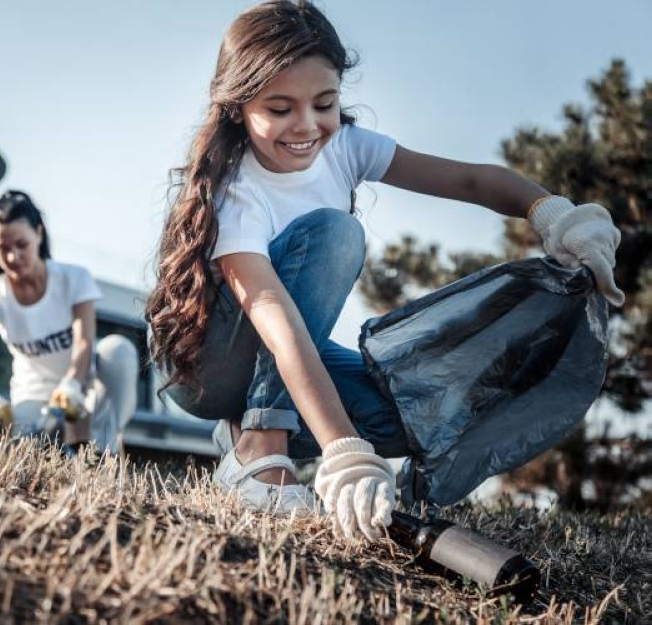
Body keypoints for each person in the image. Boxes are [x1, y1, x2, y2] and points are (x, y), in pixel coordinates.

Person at [145, 1, 623, 541]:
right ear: (237, 108)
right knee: (334, 234)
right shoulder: (237, 190)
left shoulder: (346, 148)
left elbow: (469, 181)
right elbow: (276, 320)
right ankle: (262, 446)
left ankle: (245, 432)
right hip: (202, 361)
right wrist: (342, 449)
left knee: (409, 415)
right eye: (280, 109)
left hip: (280, 352)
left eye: (323, 103)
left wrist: (556, 215)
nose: (306, 126)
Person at [0, 190, 139, 455]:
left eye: (21, 244)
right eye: (2, 248)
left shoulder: (74, 279)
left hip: (84, 385)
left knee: (119, 350)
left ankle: (103, 448)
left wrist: (71, 384)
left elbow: (83, 343)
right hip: (33, 396)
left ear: (39, 233)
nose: (12, 257)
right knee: (31, 450)